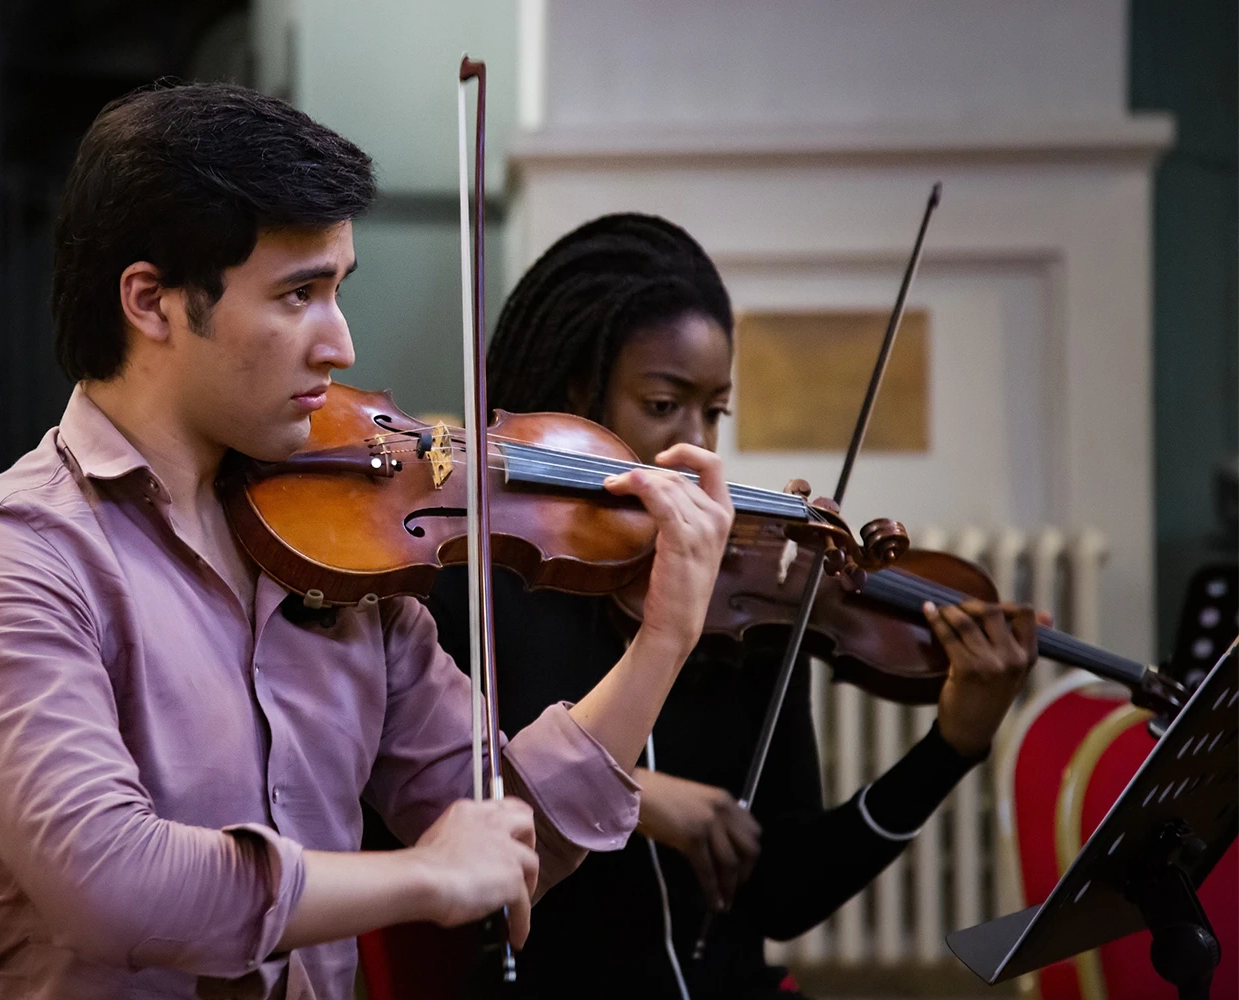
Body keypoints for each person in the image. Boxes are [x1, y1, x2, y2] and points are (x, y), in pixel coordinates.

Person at [0, 85, 736, 1000]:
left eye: (339, 288)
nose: (341, 343)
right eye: (299, 294)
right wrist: (421, 877)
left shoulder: (345, 544)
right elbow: (112, 884)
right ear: (151, 302)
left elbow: (513, 843)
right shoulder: (16, 552)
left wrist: (662, 638)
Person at [419, 214, 1042, 998]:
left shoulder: (743, 610)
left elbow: (784, 896)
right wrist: (637, 798)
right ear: (581, 392)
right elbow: (428, 803)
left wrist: (952, 745)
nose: (697, 451)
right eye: (662, 404)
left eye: (714, 413)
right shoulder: (472, 583)